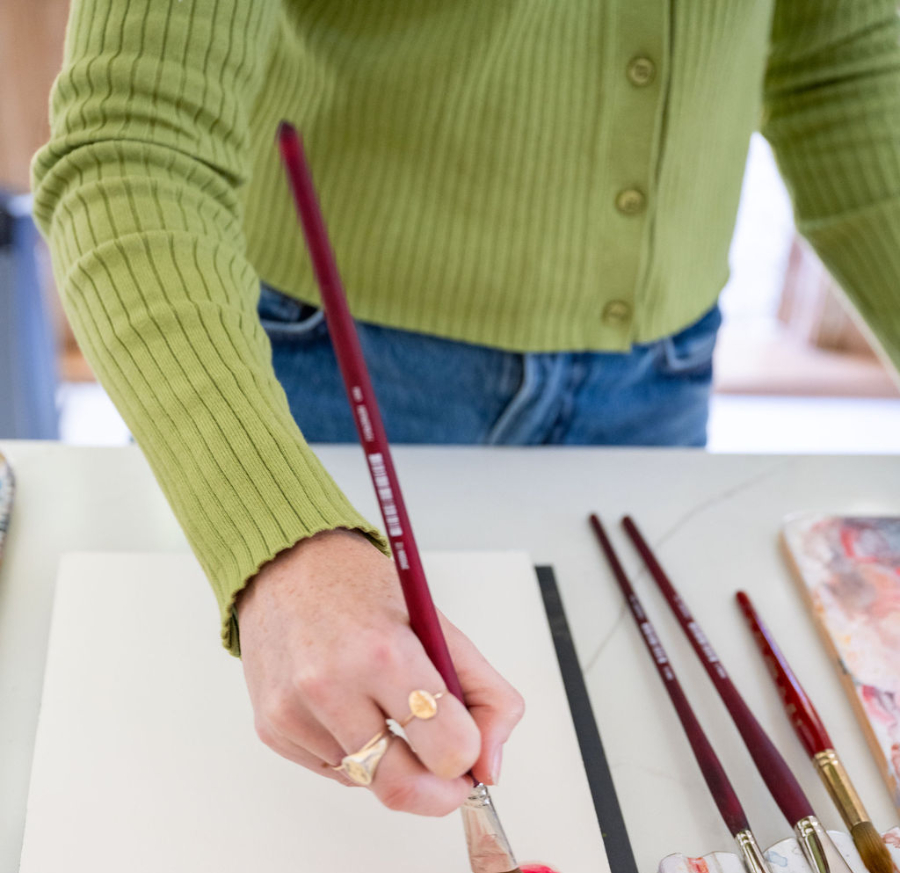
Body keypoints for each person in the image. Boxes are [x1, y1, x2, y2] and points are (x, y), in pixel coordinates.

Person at [33, 1, 900, 818]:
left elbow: (844, 71)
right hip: (314, 378)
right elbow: (133, 140)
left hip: (657, 379)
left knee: (635, 779)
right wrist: (275, 541)